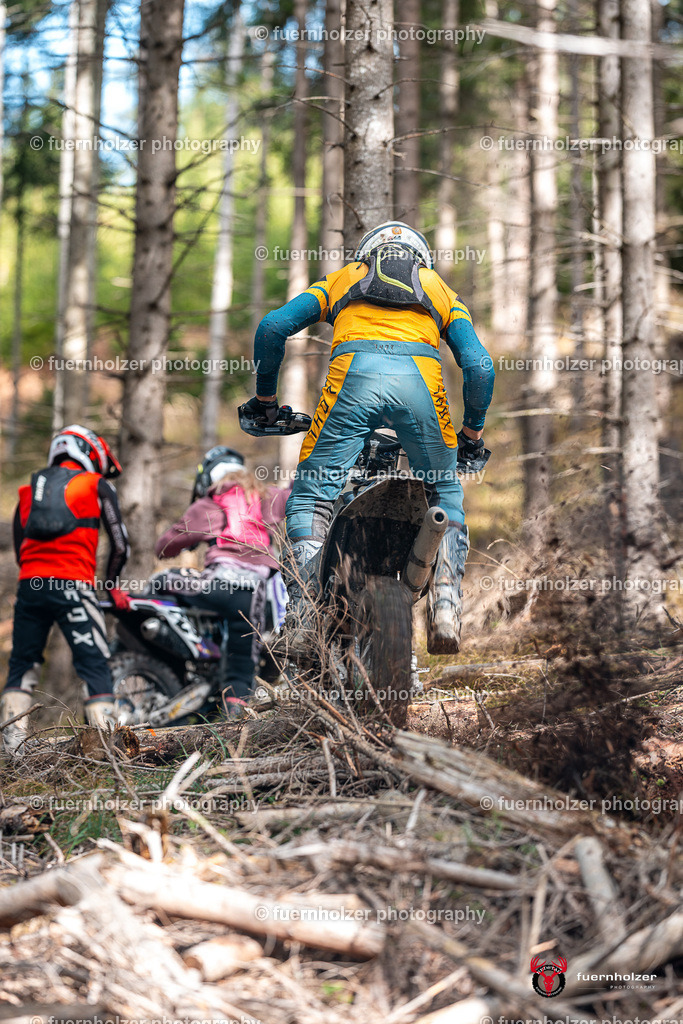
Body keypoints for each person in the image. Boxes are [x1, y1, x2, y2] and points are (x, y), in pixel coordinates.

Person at [241, 220, 495, 654]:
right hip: (421, 387)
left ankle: (302, 617)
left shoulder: (343, 279)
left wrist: (266, 400)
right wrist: (471, 433)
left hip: (352, 384)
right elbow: (479, 366)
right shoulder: (442, 292)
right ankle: (446, 603)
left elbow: (272, 327)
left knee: (311, 495)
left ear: (366, 253)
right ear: (422, 260)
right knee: (444, 489)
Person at [0, 425, 130, 756]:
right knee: (94, 664)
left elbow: (20, 550)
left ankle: (12, 752)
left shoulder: (29, 490)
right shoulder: (96, 484)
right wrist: (112, 586)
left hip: (31, 586)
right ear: (89, 454)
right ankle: (107, 753)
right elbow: (120, 543)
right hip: (74, 585)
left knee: (22, 665)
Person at [154, 447, 289, 715]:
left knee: (161, 581)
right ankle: (233, 720)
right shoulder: (267, 495)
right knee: (242, 663)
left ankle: (187, 650)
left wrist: (176, 546)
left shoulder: (210, 501)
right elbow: (297, 494)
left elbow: (164, 546)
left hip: (216, 585)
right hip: (254, 594)